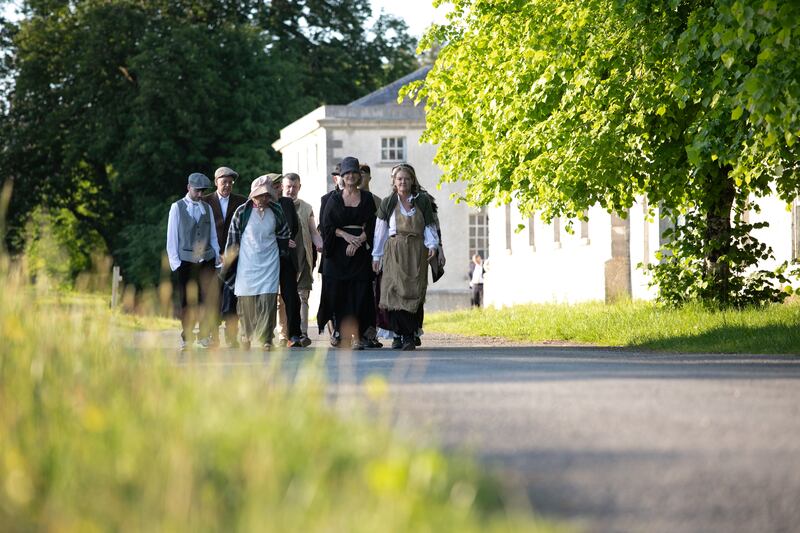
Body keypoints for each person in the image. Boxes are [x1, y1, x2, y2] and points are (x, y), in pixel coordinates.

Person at [372, 163, 439, 351]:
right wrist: (376, 256)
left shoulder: (422, 201)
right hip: (395, 248)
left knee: (413, 291)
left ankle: (409, 334)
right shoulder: (388, 202)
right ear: (394, 181)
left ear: (412, 180)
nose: (403, 182)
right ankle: (401, 334)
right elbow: (380, 231)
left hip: (417, 250)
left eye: (406, 178)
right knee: (394, 291)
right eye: (399, 179)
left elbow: (428, 225)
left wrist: (432, 245)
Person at [221, 175, 290, 351]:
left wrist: (283, 251)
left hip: (270, 261)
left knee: (268, 301)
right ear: (252, 195)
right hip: (247, 262)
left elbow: (284, 232)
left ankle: (267, 339)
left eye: (267, 195)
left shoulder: (276, 211)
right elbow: (233, 238)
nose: (264, 199)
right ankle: (246, 335)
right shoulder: (242, 212)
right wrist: (229, 261)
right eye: (260, 196)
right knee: (246, 301)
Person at [317, 156, 377, 349]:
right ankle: (343, 335)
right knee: (339, 294)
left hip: (360, 252)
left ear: (359, 176)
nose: (350, 176)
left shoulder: (367, 198)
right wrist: (345, 236)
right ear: (341, 176)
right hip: (336, 253)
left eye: (354, 173)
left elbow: (372, 225)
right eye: (347, 173)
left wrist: (358, 240)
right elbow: (327, 225)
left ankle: (359, 336)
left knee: (360, 295)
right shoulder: (333, 198)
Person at [166, 172, 222, 350]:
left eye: (202, 191)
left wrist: (217, 256)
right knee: (186, 301)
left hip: (206, 259)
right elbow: (172, 237)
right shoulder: (177, 207)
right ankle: (187, 337)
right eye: (197, 191)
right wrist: (176, 263)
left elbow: (212, 235)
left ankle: (205, 336)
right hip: (185, 261)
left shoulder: (207, 208)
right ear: (188, 188)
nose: (200, 194)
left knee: (207, 300)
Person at [203, 166, 246, 347]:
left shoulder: (242, 202)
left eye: (230, 182)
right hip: (211, 258)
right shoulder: (205, 202)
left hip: (234, 258)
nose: (227, 185)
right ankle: (213, 337)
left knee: (231, 299)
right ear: (216, 182)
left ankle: (231, 336)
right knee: (212, 299)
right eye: (224, 182)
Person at [280, 173, 323, 345]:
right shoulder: (278, 205)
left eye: (294, 186)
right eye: (288, 186)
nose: (291, 190)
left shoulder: (306, 207)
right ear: (283, 187)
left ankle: (303, 333)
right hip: (283, 257)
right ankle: (284, 334)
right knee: (282, 298)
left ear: (299, 187)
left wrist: (320, 245)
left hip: (303, 255)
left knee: (303, 295)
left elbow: (313, 232)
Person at [266, 173, 304, 348]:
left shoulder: (287, 203)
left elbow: (294, 227)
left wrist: (286, 241)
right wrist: (280, 240)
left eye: (277, 185)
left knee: (291, 296)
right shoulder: (260, 204)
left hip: (286, 257)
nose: (277, 189)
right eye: (273, 186)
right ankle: (266, 336)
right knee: (267, 297)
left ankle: (294, 335)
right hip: (266, 258)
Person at [359, 163, 384, 348]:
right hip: (355, 251)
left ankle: (371, 333)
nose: (359, 178)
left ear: (369, 177)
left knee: (374, 293)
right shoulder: (348, 198)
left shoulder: (377, 201)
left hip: (373, 252)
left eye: (363, 174)